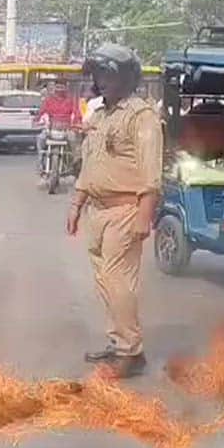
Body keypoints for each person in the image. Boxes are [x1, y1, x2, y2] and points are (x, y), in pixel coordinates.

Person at [65, 44, 162, 379]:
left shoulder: (141, 116)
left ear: (126, 77)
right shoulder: (99, 116)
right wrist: (76, 204)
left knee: (118, 282)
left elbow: (151, 171)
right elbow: (90, 165)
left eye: (108, 74)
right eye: (98, 74)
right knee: (105, 283)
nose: (102, 80)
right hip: (97, 211)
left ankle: (130, 352)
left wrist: (144, 215)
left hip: (125, 210)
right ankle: (118, 340)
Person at [35, 80, 83, 162]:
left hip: (67, 130)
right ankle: (40, 158)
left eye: (62, 87)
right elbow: (41, 112)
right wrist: (37, 120)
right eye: (58, 87)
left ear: (66, 88)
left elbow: (77, 113)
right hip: (51, 129)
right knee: (40, 138)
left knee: (73, 140)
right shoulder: (49, 100)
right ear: (54, 88)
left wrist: (77, 123)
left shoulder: (70, 100)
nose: (60, 90)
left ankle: (75, 160)